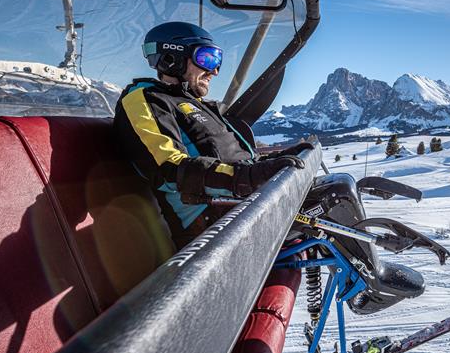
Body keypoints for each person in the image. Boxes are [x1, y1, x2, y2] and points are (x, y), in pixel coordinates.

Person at [114, 21, 311, 249]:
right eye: (207, 59)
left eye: (217, 60)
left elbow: (237, 161)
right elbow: (168, 168)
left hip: (242, 207)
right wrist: (246, 177)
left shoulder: (198, 105)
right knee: (335, 197)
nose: (214, 71)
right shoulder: (146, 99)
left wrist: (269, 162)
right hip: (211, 224)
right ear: (171, 57)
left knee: (330, 191)